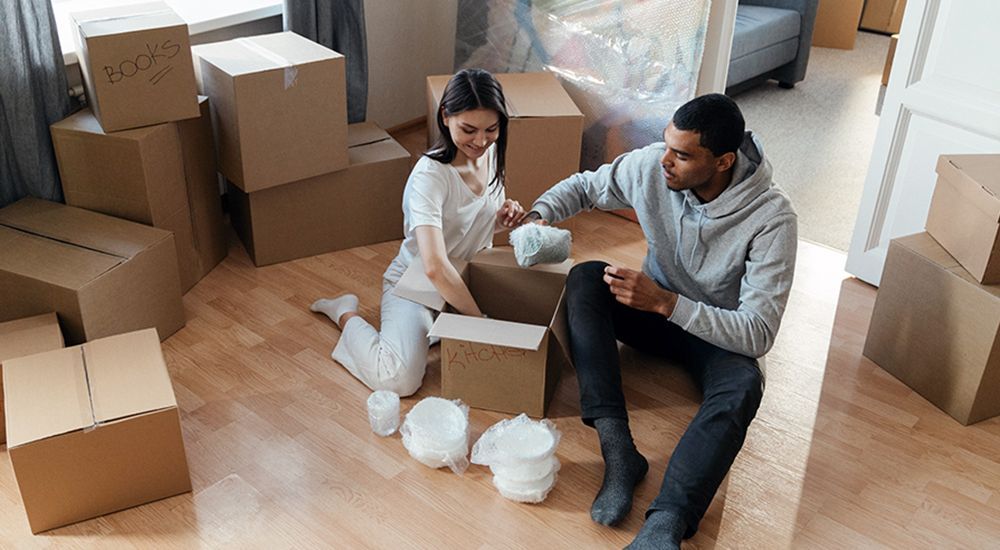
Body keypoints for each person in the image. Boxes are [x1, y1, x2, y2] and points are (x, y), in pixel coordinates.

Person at [525, 93, 797, 549]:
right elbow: (587, 187)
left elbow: (758, 332)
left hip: (718, 334)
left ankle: (666, 523)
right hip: (654, 311)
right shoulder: (655, 165)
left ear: (724, 161)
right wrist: (537, 216)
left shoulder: (773, 220)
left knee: (743, 388)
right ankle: (619, 453)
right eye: (666, 144)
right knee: (587, 278)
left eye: (683, 155)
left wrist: (669, 304)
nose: (665, 161)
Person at [311, 68, 526, 396]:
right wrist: (478, 321)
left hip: (462, 278)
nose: (481, 141)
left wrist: (502, 217)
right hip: (418, 284)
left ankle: (433, 330)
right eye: (468, 129)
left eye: (491, 129)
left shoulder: (489, 152)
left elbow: (469, 223)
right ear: (445, 116)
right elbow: (434, 267)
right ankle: (345, 313)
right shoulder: (430, 177)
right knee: (399, 380)